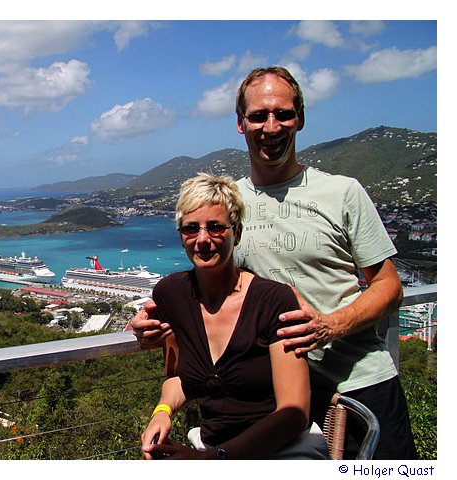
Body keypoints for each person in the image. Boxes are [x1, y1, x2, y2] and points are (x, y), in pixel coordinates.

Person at [132, 66, 417, 459]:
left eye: (283, 114)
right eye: (258, 115)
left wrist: (330, 325)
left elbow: (389, 286)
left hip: (358, 382)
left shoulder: (342, 192)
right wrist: (151, 323)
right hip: (268, 398)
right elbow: (208, 294)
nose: (271, 126)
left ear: (299, 119)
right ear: (240, 124)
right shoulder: (229, 206)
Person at [140, 173, 329, 460]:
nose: (202, 239)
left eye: (215, 227)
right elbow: (180, 377)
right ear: (181, 237)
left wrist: (216, 460)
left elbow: (294, 413)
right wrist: (163, 411)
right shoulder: (171, 295)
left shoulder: (274, 302)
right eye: (191, 229)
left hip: (282, 450)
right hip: (210, 449)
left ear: (236, 233)